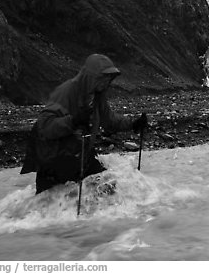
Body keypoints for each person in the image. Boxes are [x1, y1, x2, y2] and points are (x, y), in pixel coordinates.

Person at [20, 54, 148, 194]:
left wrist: (133, 123)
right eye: (103, 78)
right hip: (54, 160)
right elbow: (45, 127)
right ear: (91, 77)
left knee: (107, 188)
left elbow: (109, 120)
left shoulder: (97, 95)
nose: (106, 82)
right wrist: (73, 121)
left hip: (79, 155)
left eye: (108, 79)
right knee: (47, 205)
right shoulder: (66, 92)